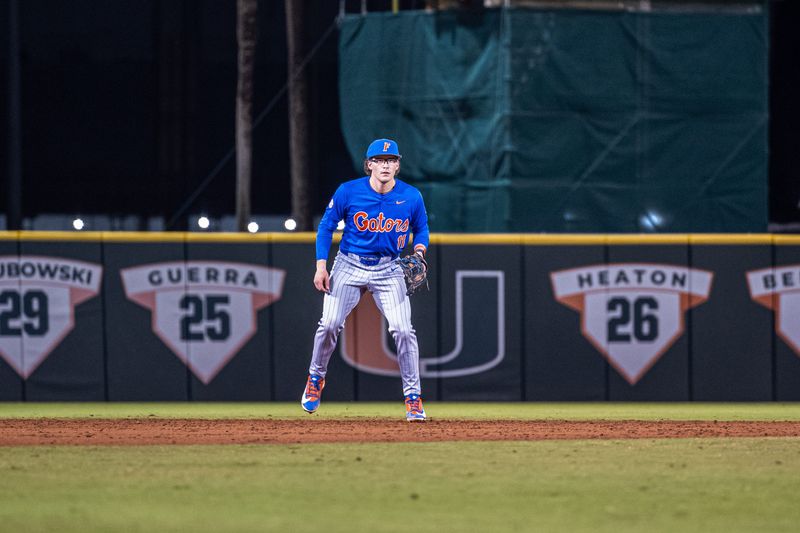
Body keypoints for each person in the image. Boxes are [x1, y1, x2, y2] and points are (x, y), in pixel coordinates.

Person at [301, 138, 430, 421]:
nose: (386, 165)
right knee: (330, 324)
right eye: (380, 160)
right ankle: (315, 378)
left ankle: (413, 398)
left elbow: (421, 229)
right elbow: (326, 226)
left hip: (389, 268)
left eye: (391, 160)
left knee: (404, 330)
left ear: (397, 166)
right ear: (369, 165)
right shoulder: (349, 191)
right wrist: (321, 266)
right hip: (349, 264)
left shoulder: (411, 196)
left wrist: (419, 252)